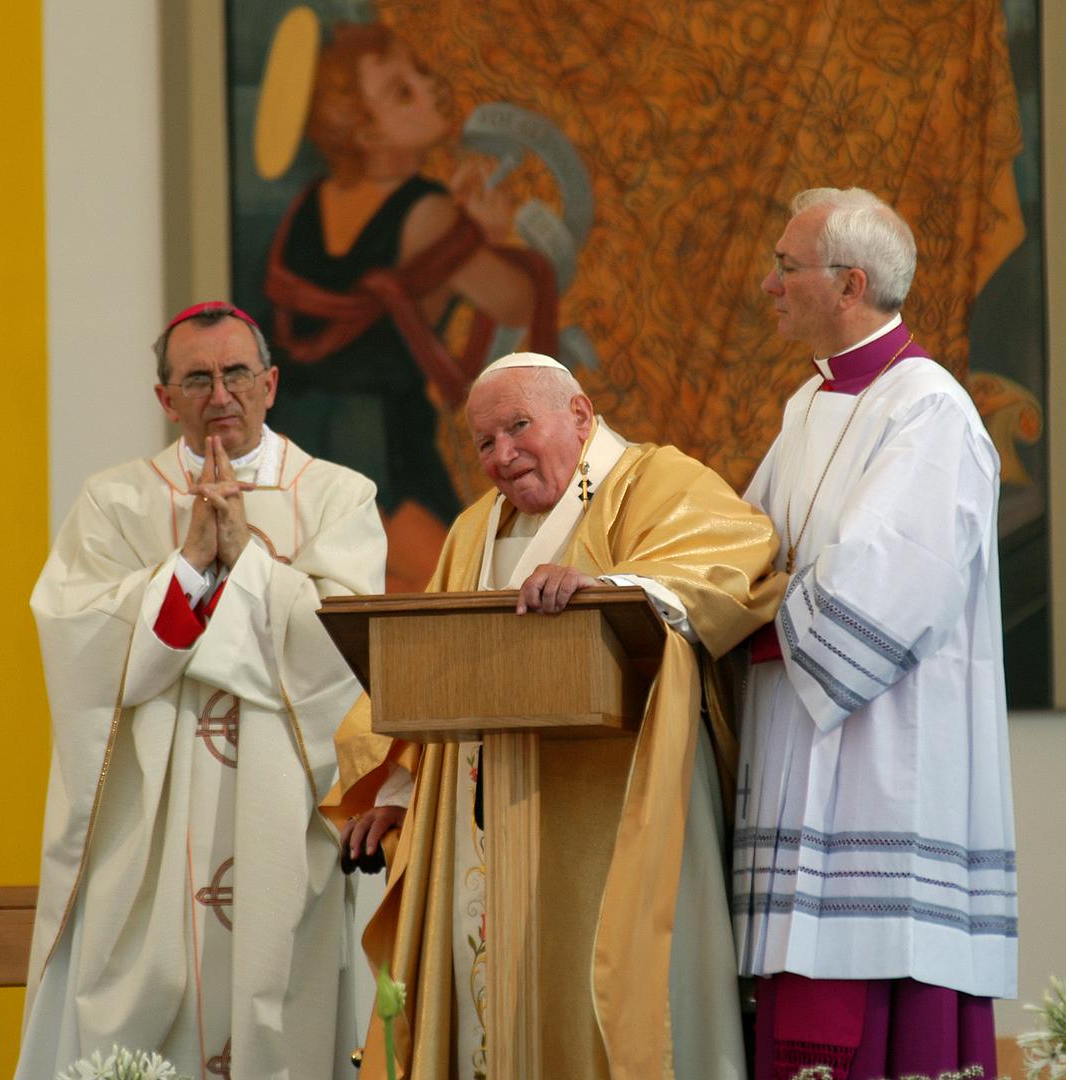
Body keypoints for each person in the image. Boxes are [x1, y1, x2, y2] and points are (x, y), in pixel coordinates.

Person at [324, 352, 785, 1080]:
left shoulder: (655, 482)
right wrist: (398, 795)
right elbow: (427, 668)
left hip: (614, 807)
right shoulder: (475, 528)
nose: (502, 456)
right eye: (484, 442)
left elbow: (738, 556)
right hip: (482, 818)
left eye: (517, 427)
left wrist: (608, 588)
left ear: (579, 414)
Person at [14, 302, 386, 1080]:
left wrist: (247, 560)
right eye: (196, 378)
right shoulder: (114, 503)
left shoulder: (337, 498)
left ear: (271, 383)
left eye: (237, 373)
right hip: (151, 822)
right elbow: (76, 640)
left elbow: (351, 656)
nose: (221, 394)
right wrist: (185, 568)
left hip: (281, 808)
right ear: (164, 398)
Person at [731, 188, 1017, 1080]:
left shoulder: (930, 411)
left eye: (787, 266)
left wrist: (744, 622)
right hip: (797, 764)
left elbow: (884, 581)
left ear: (849, 283)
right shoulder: (806, 407)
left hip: (883, 775)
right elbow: (740, 548)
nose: (770, 284)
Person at [264, 21, 557, 592]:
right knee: (457, 605)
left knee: (363, 608)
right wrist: (491, 234)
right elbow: (515, 299)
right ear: (365, 131)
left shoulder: (309, 205)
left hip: (298, 439)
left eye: (418, 73)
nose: (430, 88)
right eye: (402, 90)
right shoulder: (426, 211)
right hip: (380, 441)